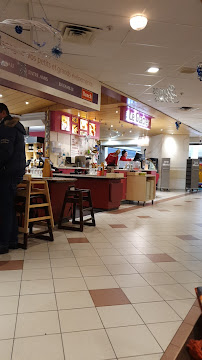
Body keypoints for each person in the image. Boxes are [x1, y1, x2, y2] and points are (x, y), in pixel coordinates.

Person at [0, 103, 26, 254]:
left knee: (4, 208)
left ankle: (3, 243)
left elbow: (4, 152)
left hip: (6, 173)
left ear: (3, 113)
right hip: (14, 173)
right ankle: (12, 241)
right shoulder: (16, 128)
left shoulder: (7, 128)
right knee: (8, 207)